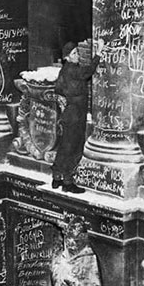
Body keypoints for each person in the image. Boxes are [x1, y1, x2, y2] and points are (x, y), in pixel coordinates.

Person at [51, 39, 104, 194]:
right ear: (67, 57)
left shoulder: (64, 70)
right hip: (76, 114)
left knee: (65, 146)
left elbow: (58, 89)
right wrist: (99, 52)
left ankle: (56, 177)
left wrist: (64, 103)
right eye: (74, 53)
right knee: (74, 147)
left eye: (77, 52)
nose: (78, 56)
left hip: (69, 113)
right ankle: (68, 182)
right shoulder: (73, 69)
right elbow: (88, 71)